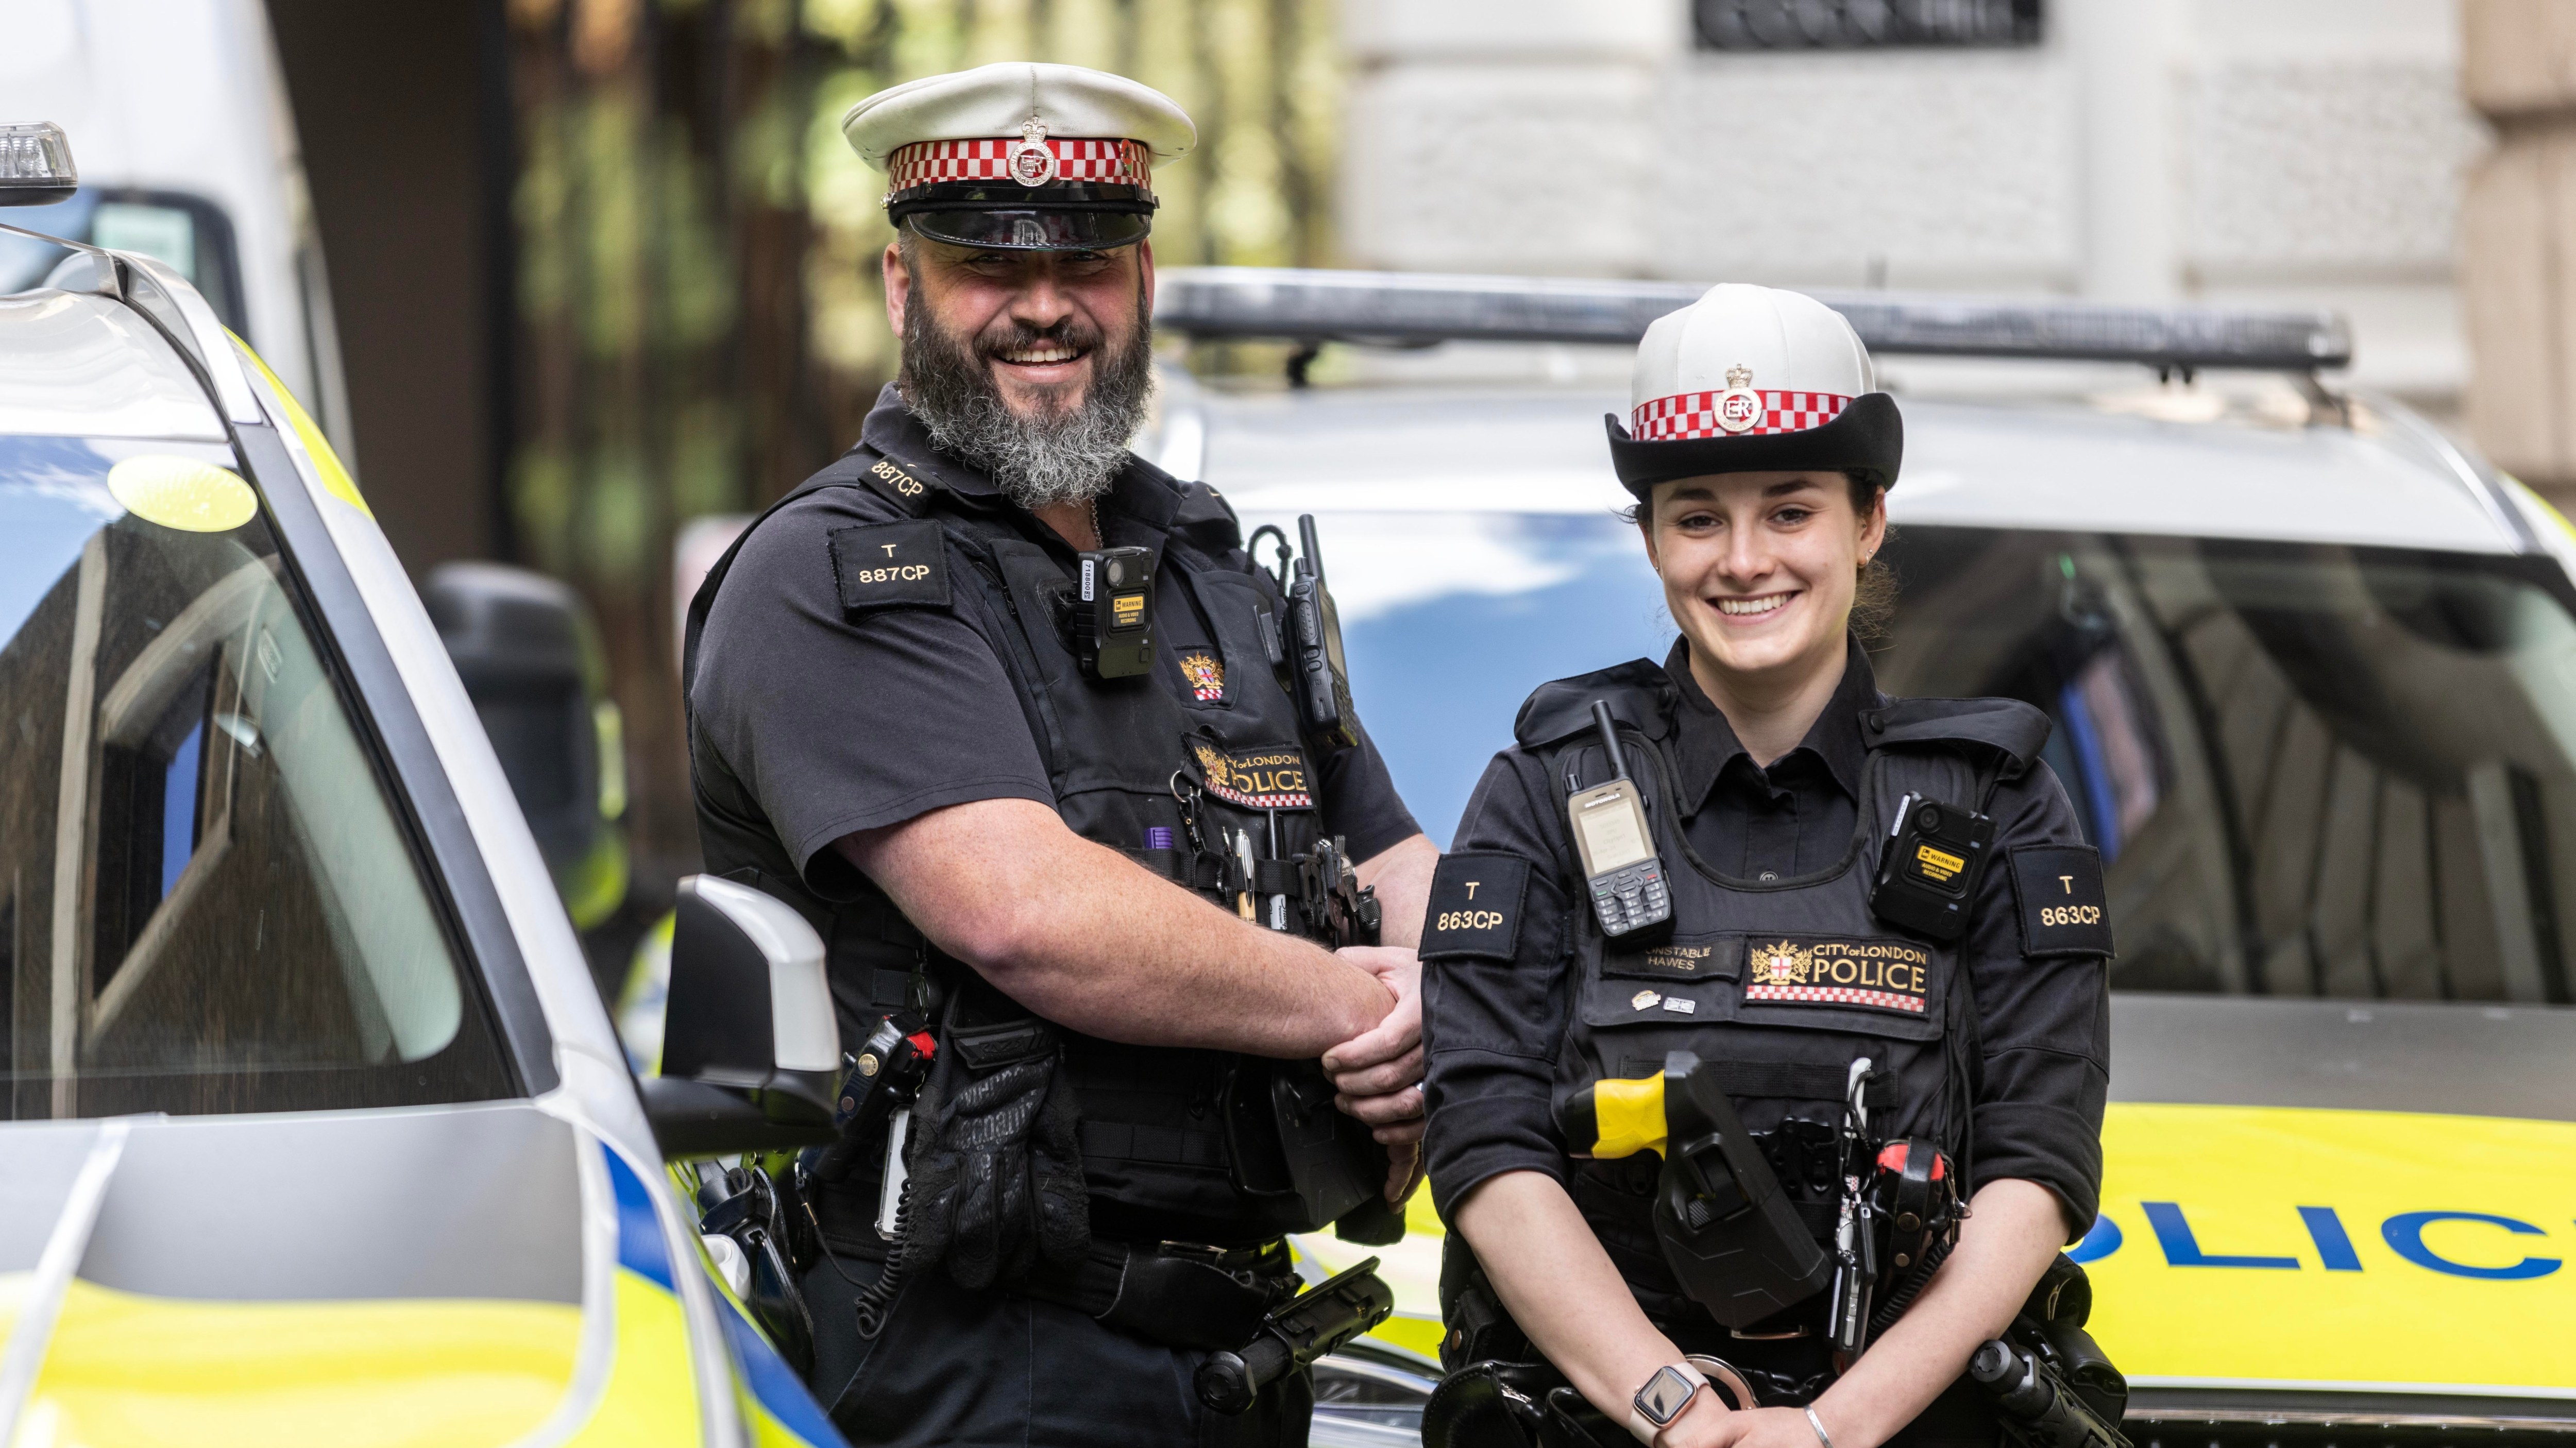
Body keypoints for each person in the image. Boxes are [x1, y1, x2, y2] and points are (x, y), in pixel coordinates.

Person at [682, 61, 1438, 1447]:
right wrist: (1355, 1008)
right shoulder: (835, 572)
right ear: (905, 290)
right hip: (979, 1364)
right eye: (984, 264)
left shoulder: (1213, 571)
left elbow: (1387, 852)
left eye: (1086, 260)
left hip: (1239, 1353)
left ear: (1142, 278)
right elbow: (1026, 914)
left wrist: (1444, 986)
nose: (1044, 306)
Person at [1417, 284, 2113, 1448]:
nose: (1743, 562)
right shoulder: (1542, 788)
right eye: (1697, 518)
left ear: (1867, 521)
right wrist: (1672, 1407)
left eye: (1789, 511)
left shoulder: (1997, 800)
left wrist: (1831, 1430)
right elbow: (1483, 1144)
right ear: (1648, 536)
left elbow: (2037, 1166)